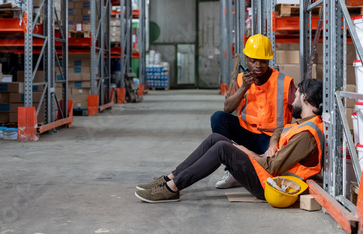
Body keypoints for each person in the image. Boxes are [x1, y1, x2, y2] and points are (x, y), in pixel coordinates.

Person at [135, 78, 323, 203]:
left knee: (223, 149)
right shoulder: (304, 122)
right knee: (216, 138)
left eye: (297, 95)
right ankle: (171, 178)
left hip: (273, 185)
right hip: (269, 173)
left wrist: (245, 150)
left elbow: (273, 166)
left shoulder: (306, 135)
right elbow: (281, 130)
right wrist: (274, 143)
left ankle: (173, 188)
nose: (293, 100)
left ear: (305, 98)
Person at [212, 34, 297, 189]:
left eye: (263, 61)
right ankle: (232, 170)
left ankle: (250, 171)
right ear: (246, 60)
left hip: (272, 141)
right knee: (218, 118)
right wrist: (244, 87)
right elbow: (227, 108)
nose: (258, 65)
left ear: (269, 60)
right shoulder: (241, 80)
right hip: (247, 134)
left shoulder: (284, 82)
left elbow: (300, 113)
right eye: (253, 61)